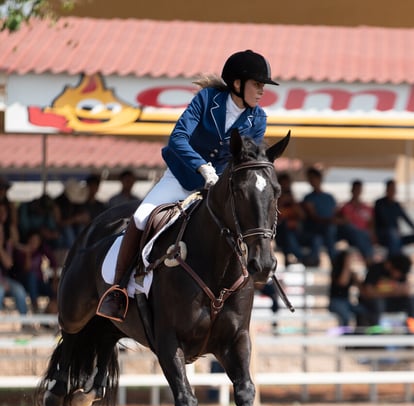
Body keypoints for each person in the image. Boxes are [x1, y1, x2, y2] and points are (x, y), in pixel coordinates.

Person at [98, 49, 279, 321]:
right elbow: (178, 138)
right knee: (141, 216)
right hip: (182, 177)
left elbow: (246, 159)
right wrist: (202, 166)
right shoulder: (207, 100)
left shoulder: (258, 118)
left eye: (263, 85)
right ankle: (119, 289)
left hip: (218, 187)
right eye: (257, 84)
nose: (262, 90)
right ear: (238, 84)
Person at [358, 253, 414, 327]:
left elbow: (406, 290)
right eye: (397, 272)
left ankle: (411, 326)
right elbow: (368, 292)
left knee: (410, 300)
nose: (398, 276)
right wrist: (393, 292)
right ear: (390, 265)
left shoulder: (401, 273)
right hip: (374, 302)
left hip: (391, 301)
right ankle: (376, 328)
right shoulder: (376, 269)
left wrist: (395, 292)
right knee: (378, 303)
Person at [12, 229, 59, 314]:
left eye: (37, 240)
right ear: (28, 240)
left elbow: (54, 262)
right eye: (32, 240)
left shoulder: (41, 249)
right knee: (31, 276)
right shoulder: (20, 252)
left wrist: (54, 281)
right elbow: (27, 269)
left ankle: (49, 313)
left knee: (56, 290)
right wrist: (28, 253)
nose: (34, 243)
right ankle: (35, 305)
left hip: (39, 283)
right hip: (25, 283)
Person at [301, 167, 338, 266]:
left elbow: (335, 214)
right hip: (315, 229)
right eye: (310, 178)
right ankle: (333, 261)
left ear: (319, 179)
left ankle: (334, 261)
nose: (312, 181)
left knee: (328, 232)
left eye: (313, 178)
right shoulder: (308, 198)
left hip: (328, 230)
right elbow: (314, 217)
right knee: (319, 238)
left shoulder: (329, 197)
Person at [0, 201, 28, 316]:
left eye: (3, 212)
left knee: (20, 291)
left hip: (4, 279)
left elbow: (8, 263)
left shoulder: (8, 241)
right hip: (1, 281)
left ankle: (25, 324)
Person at [374, 179, 414, 255]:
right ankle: (395, 258)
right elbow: (384, 220)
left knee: (395, 237)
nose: (393, 191)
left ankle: (397, 256)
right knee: (392, 233)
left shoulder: (396, 205)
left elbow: (406, 219)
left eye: (394, 189)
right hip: (383, 234)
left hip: (396, 235)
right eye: (391, 188)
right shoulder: (379, 203)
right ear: (387, 189)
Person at [328, 249, 365, 328]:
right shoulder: (338, 270)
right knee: (346, 317)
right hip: (336, 301)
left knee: (362, 312)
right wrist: (347, 265)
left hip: (346, 301)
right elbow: (342, 282)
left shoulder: (351, 272)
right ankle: (345, 336)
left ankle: (358, 334)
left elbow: (361, 287)